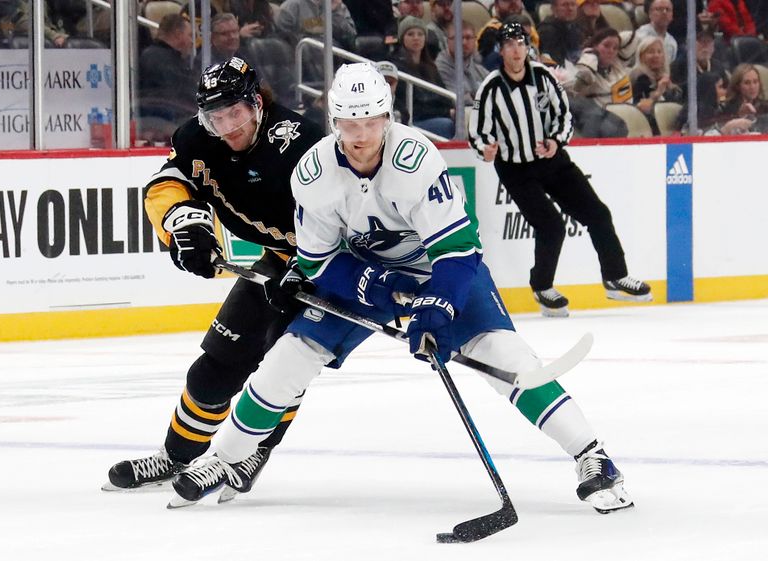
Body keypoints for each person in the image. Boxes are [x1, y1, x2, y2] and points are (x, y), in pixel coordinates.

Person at [170, 62, 634, 517]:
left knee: (505, 358)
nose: (360, 136)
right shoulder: (313, 173)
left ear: (387, 118)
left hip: (438, 270)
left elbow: (457, 250)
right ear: (334, 123)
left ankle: (593, 457)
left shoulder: (416, 159)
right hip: (363, 273)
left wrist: (438, 308)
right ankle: (225, 458)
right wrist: (369, 284)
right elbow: (316, 260)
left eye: (370, 122)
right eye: (349, 124)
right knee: (290, 354)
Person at [103, 57, 324, 493]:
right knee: (213, 369)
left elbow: (343, 214)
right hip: (280, 258)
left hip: (328, 263)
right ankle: (175, 457)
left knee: (283, 367)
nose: (227, 127)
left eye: (235, 113)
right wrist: (184, 223)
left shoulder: (302, 143)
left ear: (257, 104)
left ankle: (251, 451)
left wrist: (309, 266)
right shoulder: (196, 139)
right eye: (215, 116)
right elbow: (167, 183)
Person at [469, 23, 651, 317]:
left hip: (552, 159)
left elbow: (563, 115)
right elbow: (477, 131)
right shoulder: (490, 87)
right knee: (551, 225)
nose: (516, 49)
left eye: (520, 43)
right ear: (501, 50)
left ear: (528, 47)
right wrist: (485, 148)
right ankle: (542, 286)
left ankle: (615, 277)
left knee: (598, 213)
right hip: (516, 169)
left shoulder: (543, 76)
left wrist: (556, 140)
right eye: (509, 44)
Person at [391, 16, 456, 138]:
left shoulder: (430, 66)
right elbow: (414, 108)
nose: (416, 38)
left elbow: (445, 98)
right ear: (402, 38)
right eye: (410, 34)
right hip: (415, 121)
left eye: (420, 34)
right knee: (447, 124)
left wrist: (451, 110)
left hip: (437, 116)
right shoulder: (399, 68)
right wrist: (447, 112)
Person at [138, 13, 198, 126]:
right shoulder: (159, 60)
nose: (192, 42)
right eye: (190, 35)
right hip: (164, 124)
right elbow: (178, 99)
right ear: (178, 34)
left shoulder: (162, 56)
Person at [629, 36, 683, 133]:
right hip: (647, 128)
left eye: (659, 52)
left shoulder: (664, 76)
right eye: (651, 52)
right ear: (641, 56)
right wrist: (658, 92)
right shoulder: (639, 78)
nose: (656, 55)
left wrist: (671, 88)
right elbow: (639, 107)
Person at [571, 28, 633, 108]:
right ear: (595, 46)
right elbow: (582, 77)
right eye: (606, 46)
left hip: (627, 114)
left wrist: (614, 35)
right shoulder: (587, 65)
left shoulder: (618, 64)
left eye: (615, 48)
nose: (611, 51)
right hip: (598, 117)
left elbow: (633, 36)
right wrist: (591, 53)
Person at [435, 20, 489, 107]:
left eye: (468, 38)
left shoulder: (478, 68)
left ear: (475, 40)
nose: (464, 42)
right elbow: (456, 100)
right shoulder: (441, 67)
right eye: (458, 38)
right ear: (448, 41)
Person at [537, 0, 584, 66]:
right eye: (564, 5)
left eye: (573, 5)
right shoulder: (547, 31)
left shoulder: (576, 27)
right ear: (554, 9)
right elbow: (553, 61)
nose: (570, 8)